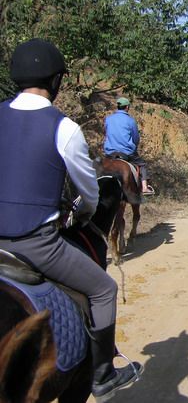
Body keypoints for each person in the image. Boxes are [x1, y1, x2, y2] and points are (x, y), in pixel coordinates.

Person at [0, 38, 142, 401]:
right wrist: (80, 214)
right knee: (103, 289)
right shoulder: (64, 129)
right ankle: (102, 374)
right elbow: (88, 193)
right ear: (56, 81)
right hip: (38, 244)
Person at [103, 97, 154, 196]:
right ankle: (144, 188)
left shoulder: (108, 119)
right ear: (127, 107)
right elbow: (135, 138)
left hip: (110, 152)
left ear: (118, 106)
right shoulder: (130, 121)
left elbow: (106, 133)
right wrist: (134, 145)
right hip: (127, 152)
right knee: (142, 164)